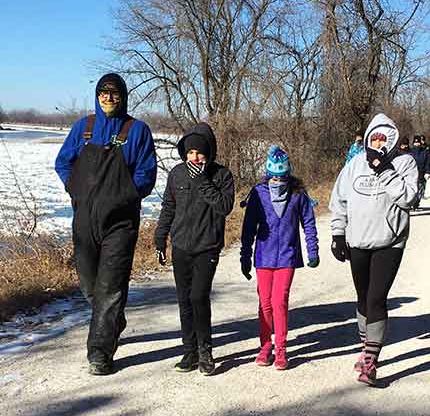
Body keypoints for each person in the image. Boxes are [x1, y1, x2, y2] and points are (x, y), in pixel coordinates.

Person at [55, 73, 157, 375]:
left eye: (114, 93)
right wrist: (75, 189)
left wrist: (125, 195)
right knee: (89, 284)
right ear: (97, 96)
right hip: (85, 218)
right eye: (103, 92)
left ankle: (99, 354)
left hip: (120, 221)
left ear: (123, 96)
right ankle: (113, 320)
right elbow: (63, 162)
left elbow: (146, 173)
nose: (108, 97)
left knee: (110, 287)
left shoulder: (137, 131)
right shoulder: (83, 128)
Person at [329, 113, 418, 386]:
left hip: (389, 242)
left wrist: (385, 170)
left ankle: (370, 360)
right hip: (358, 241)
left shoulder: (405, 163)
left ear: (391, 140)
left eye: (384, 138)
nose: (378, 142)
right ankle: (366, 347)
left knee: (377, 298)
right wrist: (337, 233)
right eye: (374, 138)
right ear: (368, 139)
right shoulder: (355, 164)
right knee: (362, 296)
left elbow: (409, 198)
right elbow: (339, 199)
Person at [154, 123, 235, 375]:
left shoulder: (222, 175)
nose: (195, 157)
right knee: (184, 300)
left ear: (209, 153)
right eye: (190, 153)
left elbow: (224, 206)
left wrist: (202, 180)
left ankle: (205, 351)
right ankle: (189, 352)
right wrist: (160, 238)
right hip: (181, 245)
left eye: (200, 153)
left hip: (207, 247)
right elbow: (168, 207)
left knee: (198, 297)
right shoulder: (176, 174)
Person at [240, 146, 319, 371]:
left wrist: (312, 251)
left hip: (287, 255)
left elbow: (309, 224)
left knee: (279, 301)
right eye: (273, 174)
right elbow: (248, 229)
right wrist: (245, 256)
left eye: (281, 174)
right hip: (263, 257)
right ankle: (266, 347)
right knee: (264, 303)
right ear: (267, 171)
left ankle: (281, 349)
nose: (277, 179)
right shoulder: (258, 193)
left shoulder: (298, 195)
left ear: (288, 172)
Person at [410, 135, 430, 208]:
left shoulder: (425, 151)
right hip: (412, 174)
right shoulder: (410, 151)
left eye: (418, 143)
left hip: (422, 173)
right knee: (412, 189)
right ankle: (412, 202)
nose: (417, 144)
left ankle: (416, 202)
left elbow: (428, 162)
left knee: (420, 189)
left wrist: (428, 172)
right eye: (415, 143)